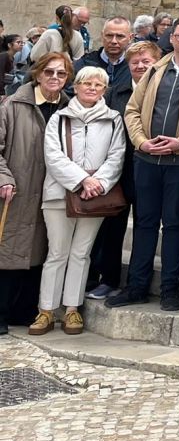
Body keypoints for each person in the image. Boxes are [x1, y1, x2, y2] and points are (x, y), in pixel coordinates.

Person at [110, 17, 179, 311]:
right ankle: (137, 286)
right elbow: (132, 109)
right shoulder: (156, 68)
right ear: (171, 39)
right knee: (145, 221)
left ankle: (170, 288)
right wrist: (140, 141)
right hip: (146, 157)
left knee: (173, 222)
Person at [30, 66, 126, 337]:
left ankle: (72, 307)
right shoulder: (59, 118)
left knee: (81, 253)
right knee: (57, 252)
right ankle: (46, 309)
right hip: (59, 194)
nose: (92, 88)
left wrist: (98, 184)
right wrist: (82, 180)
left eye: (98, 85)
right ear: (77, 86)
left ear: (104, 90)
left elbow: (116, 155)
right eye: (87, 83)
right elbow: (54, 156)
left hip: (95, 198)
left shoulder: (113, 119)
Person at [0, 53, 73, 335]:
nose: (55, 78)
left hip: (52, 193)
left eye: (62, 74)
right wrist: (4, 178)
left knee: (40, 253)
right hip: (17, 190)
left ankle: (26, 310)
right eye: (49, 72)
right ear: (37, 74)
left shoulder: (69, 108)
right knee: (9, 251)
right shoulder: (12, 106)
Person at [84, 40, 160, 301]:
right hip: (119, 168)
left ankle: (138, 283)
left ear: (156, 63)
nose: (140, 66)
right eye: (134, 62)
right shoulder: (116, 92)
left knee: (144, 225)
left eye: (145, 61)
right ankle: (109, 278)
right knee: (112, 225)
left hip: (151, 168)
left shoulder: (164, 90)